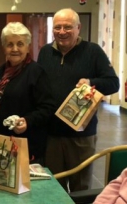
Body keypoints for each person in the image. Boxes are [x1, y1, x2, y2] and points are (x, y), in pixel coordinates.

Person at [37, 8, 120, 192]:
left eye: (68, 27)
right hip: (51, 135)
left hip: (81, 136)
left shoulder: (93, 51)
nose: (62, 32)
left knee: (80, 188)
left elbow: (114, 84)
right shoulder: (44, 52)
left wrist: (91, 82)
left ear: (78, 28)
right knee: (53, 187)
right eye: (57, 27)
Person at [0, 22, 55, 165]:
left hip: (27, 145)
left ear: (28, 46)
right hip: (2, 142)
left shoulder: (37, 72)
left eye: (20, 44)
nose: (15, 49)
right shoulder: (0, 72)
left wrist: (27, 121)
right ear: (4, 48)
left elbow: (47, 108)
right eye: (10, 44)